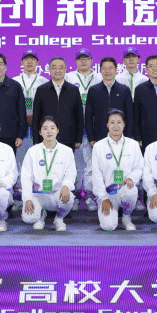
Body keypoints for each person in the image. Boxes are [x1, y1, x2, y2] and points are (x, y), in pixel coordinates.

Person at [21, 115, 78, 231]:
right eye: (45, 128)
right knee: (28, 217)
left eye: (52, 128)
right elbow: (26, 177)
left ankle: (59, 218)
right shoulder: (32, 151)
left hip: (57, 193)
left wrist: (66, 186)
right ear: (40, 132)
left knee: (69, 198)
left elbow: (71, 172)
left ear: (57, 130)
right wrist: (27, 198)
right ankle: (40, 216)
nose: (49, 131)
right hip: (38, 194)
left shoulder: (66, 151)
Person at [91, 109, 143, 232]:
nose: (116, 126)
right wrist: (103, 197)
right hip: (108, 193)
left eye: (119, 122)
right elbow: (96, 174)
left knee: (131, 190)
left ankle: (126, 217)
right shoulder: (99, 146)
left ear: (124, 124)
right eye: (112, 122)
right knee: (108, 226)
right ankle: (107, 209)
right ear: (107, 125)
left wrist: (131, 178)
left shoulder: (133, 145)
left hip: (125, 189)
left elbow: (139, 167)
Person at [65, 48, 100, 209]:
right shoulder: (69, 77)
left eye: (86, 58)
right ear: (76, 61)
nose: (83, 61)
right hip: (74, 127)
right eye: (80, 58)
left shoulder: (98, 77)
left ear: (92, 60)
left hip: (93, 127)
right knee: (75, 164)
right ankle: (74, 195)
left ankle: (90, 195)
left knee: (92, 165)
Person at [32, 57, 84, 151]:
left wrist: (78, 138)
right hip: (46, 138)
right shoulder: (41, 90)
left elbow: (79, 116)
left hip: (68, 138)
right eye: (54, 67)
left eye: (60, 67)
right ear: (49, 69)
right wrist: (36, 139)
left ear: (65, 69)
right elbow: (36, 117)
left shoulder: (73, 90)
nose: (57, 70)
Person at [84, 57, 135, 148]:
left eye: (110, 68)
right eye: (104, 68)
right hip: (100, 137)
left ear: (116, 70)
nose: (107, 71)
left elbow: (130, 116)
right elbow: (88, 116)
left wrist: (128, 137)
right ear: (100, 70)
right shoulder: (93, 90)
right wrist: (91, 138)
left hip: (121, 136)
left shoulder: (124, 90)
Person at [14, 50, 45, 146]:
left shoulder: (44, 81)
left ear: (37, 62)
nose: (29, 62)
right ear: (22, 62)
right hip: (18, 123)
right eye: (26, 59)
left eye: (32, 59)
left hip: (39, 122)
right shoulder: (14, 81)